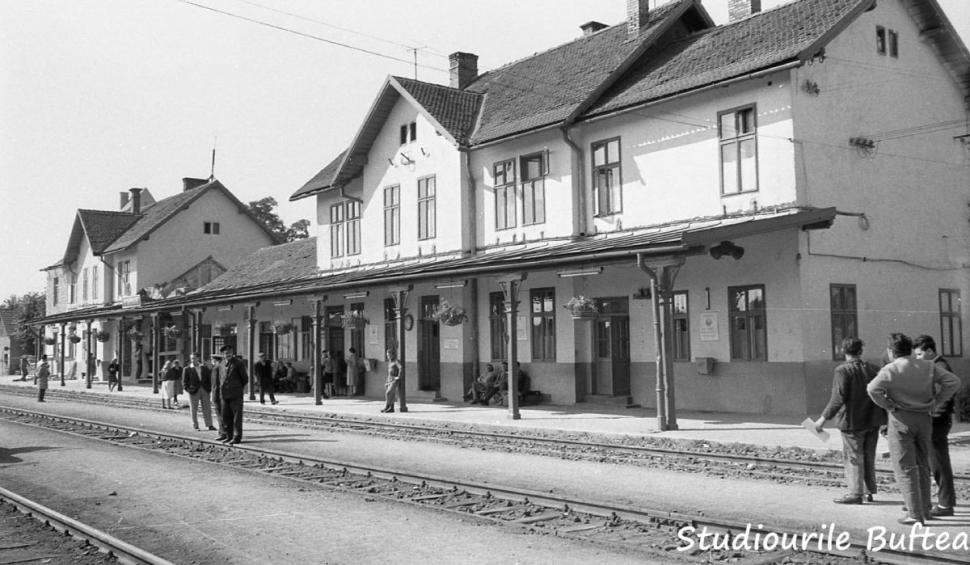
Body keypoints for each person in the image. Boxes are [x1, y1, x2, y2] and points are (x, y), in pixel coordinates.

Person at [867, 333, 961, 525]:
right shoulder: (928, 366)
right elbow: (953, 382)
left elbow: (872, 389)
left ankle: (914, 513)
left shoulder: (890, 369)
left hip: (900, 420)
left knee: (905, 467)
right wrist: (936, 402)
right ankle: (925, 509)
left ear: (891, 351)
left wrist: (888, 405)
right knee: (923, 465)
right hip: (924, 419)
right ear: (910, 349)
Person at [813, 337, 885, 504]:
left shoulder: (842, 371)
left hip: (852, 422)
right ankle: (868, 492)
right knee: (868, 456)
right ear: (860, 351)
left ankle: (855, 493)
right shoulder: (873, 368)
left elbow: (838, 398)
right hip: (872, 420)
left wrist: (822, 420)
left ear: (842, 351)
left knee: (853, 457)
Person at [913, 335, 958, 517]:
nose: (917, 358)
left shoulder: (940, 368)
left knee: (938, 462)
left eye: (919, 354)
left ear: (930, 351)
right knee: (935, 461)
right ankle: (939, 501)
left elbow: (944, 396)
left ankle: (946, 505)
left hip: (936, 422)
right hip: (935, 420)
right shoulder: (933, 366)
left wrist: (932, 414)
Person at [220, 345, 249, 444]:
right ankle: (229, 436)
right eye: (224, 353)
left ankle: (237, 437)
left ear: (232, 353)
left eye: (228, 353)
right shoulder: (222, 364)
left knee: (236, 417)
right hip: (225, 395)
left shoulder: (238, 363)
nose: (226, 355)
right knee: (226, 416)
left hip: (236, 394)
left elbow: (245, 378)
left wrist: (239, 389)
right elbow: (221, 378)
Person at [182, 353, 214, 431]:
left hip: (204, 390)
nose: (193, 360)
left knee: (207, 408)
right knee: (193, 409)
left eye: (194, 358)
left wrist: (209, 389)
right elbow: (184, 382)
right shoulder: (187, 369)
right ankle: (195, 425)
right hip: (193, 391)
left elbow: (209, 379)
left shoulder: (204, 368)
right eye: (192, 358)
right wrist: (188, 389)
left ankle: (209, 425)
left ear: (198, 358)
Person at [210, 354, 226, 440]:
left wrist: (214, 396)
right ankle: (225, 432)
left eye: (212, 360)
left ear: (216, 360)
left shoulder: (216, 369)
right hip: (222, 395)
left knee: (220, 414)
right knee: (223, 414)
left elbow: (215, 384)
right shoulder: (222, 368)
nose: (212, 362)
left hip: (217, 395)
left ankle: (222, 433)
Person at [381, 348, 402, 413]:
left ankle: (388, 406)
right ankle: (391, 408)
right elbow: (389, 372)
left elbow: (401, 368)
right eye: (387, 355)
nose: (388, 357)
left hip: (394, 380)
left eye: (389, 355)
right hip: (389, 379)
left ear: (393, 355)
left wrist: (398, 376)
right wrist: (387, 381)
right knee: (390, 394)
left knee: (388, 393)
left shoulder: (396, 361)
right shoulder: (390, 362)